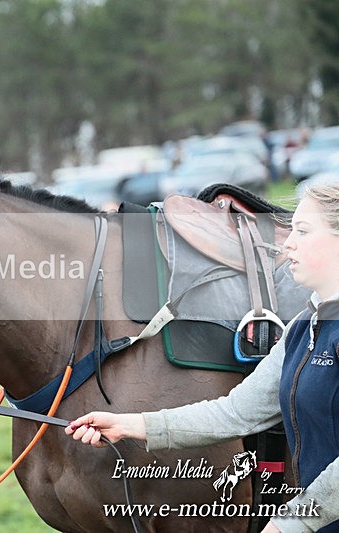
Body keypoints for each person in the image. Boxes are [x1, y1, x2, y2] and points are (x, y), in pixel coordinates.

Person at [66, 184, 339, 532]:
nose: (287, 243)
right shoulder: (304, 326)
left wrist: (291, 523)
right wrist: (129, 425)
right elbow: (236, 413)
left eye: (303, 231)